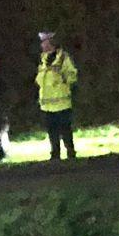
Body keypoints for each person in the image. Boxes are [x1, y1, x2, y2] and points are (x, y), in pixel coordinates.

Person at [36, 31, 78, 160]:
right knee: (52, 131)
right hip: (47, 104)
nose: (43, 44)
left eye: (45, 42)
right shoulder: (43, 59)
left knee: (65, 129)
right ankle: (55, 153)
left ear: (51, 42)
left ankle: (70, 152)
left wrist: (63, 79)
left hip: (62, 101)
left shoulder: (63, 58)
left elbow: (72, 74)